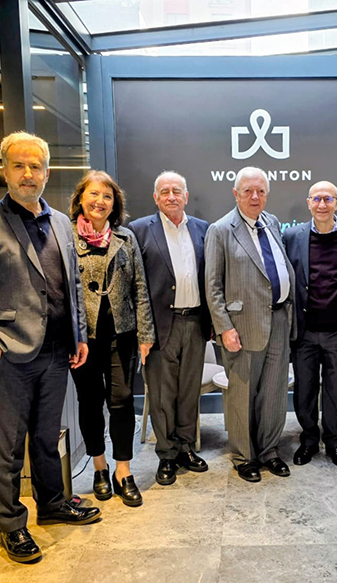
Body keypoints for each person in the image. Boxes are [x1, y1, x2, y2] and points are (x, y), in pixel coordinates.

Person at [0, 131, 100, 564]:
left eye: (35, 166)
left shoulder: (61, 223)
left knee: (46, 437)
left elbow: (72, 286)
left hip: (57, 352)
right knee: (8, 446)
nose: (27, 174)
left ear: (47, 173)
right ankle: (10, 524)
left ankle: (52, 504)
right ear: (4, 170)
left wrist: (79, 334)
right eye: (18, 165)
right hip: (10, 354)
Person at [69, 170, 155, 506]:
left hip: (123, 334)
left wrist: (146, 334)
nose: (100, 201)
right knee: (90, 402)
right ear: (81, 199)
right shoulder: (66, 237)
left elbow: (140, 288)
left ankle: (123, 470)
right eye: (93, 194)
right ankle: (99, 468)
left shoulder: (125, 238)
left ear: (114, 203)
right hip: (83, 340)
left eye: (107, 196)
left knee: (121, 401)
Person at [205, 166, 296, 483]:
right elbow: (213, 286)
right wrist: (224, 328)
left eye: (260, 191)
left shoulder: (272, 223)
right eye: (248, 191)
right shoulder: (220, 230)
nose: (255, 196)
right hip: (241, 327)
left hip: (279, 319)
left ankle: (269, 450)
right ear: (236, 194)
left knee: (274, 392)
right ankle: (244, 456)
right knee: (242, 394)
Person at [129, 171, 211, 486]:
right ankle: (166, 454)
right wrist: (142, 332)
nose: (171, 196)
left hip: (195, 322)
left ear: (186, 196)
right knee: (163, 395)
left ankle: (186, 448)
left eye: (177, 191)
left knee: (188, 391)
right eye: (164, 191)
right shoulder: (139, 230)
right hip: (161, 326)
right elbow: (134, 286)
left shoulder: (203, 229)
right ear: (156, 198)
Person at [284, 180, 337, 468]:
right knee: (304, 390)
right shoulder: (292, 236)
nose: (322, 204)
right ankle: (308, 440)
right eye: (316, 199)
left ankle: (334, 443)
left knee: (335, 391)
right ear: (308, 203)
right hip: (304, 331)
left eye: (328, 199)